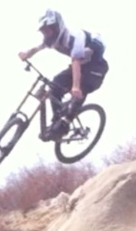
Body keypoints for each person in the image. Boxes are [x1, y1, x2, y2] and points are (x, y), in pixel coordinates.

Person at [19, 9, 109, 140]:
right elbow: (38, 47)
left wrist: (76, 87)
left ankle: (66, 122)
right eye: (44, 31)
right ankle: (57, 121)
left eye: (48, 30)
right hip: (80, 66)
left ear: (56, 27)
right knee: (55, 84)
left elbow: (76, 61)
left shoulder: (75, 37)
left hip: (96, 68)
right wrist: (27, 54)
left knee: (80, 90)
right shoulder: (51, 39)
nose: (46, 34)